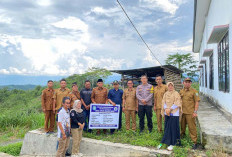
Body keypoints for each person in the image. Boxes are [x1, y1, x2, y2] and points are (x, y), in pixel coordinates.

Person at [158, 82, 182, 151]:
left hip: (174, 114)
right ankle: (168, 142)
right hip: (167, 113)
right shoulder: (166, 94)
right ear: (167, 87)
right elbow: (163, 102)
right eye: (169, 86)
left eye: (171, 86)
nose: (170, 87)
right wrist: (166, 109)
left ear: (173, 86)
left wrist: (170, 109)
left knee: (174, 128)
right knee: (168, 128)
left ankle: (174, 143)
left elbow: (178, 102)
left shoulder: (176, 93)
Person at [179, 78, 200, 149]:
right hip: (183, 113)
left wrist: (195, 112)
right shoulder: (181, 91)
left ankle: (194, 142)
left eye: (189, 82)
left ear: (190, 83)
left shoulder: (194, 91)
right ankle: (182, 137)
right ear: (183, 83)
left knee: (192, 128)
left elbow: (197, 102)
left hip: (190, 113)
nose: (187, 83)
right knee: (182, 127)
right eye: (186, 82)